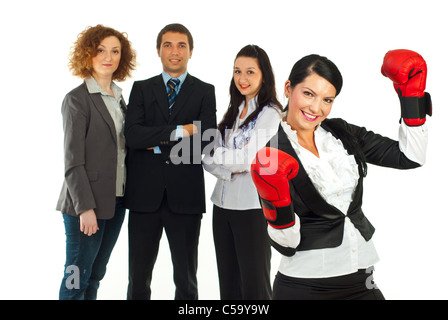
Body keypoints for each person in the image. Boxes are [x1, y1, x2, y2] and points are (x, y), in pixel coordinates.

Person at [251, 50, 431, 300]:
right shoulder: (271, 156)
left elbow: (410, 156)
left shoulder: (342, 134)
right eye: (308, 94)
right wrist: (278, 211)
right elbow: (287, 245)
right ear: (288, 88)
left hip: (363, 282)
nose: (316, 108)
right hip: (306, 288)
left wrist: (411, 97)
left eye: (327, 99)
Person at [124, 23, 217, 300]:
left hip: (185, 197)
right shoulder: (141, 89)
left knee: (186, 279)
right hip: (143, 197)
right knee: (137, 278)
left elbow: (206, 141)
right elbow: (132, 136)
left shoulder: (204, 90)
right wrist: (181, 131)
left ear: (190, 52)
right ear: (158, 50)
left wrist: (154, 142)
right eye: (168, 45)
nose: (174, 51)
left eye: (181, 45)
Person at [56, 24, 136, 300]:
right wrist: (85, 209)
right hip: (85, 206)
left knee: (94, 276)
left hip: (115, 201)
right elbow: (73, 162)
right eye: (101, 50)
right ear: (88, 54)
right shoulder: (77, 100)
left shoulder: (119, 97)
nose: (108, 57)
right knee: (75, 278)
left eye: (115, 51)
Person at [203, 45, 282, 300]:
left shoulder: (271, 114)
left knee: (255, 287)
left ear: (264, 76)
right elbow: (206, 159)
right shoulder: (234, 111)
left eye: (250, 72)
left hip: (252, 210)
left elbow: (248, 160)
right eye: (237, 71)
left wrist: (224, 158)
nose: (242, 78)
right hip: (222, 206)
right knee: (228, 285)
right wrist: (229, 166)